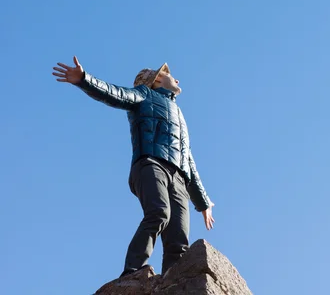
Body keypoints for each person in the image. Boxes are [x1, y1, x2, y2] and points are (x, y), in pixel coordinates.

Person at [52, 56, 215, 277]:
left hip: (178, 177)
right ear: (156, 80)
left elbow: (188, 160)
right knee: (159, 212)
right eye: (168, 74)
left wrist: (203, 202)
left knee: (178, 237)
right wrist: (84, 79)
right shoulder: (144, 94)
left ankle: (173, 282)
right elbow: (115, 94)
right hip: (150, 163)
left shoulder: (179, 115)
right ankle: (133, 272)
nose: (175, 77)